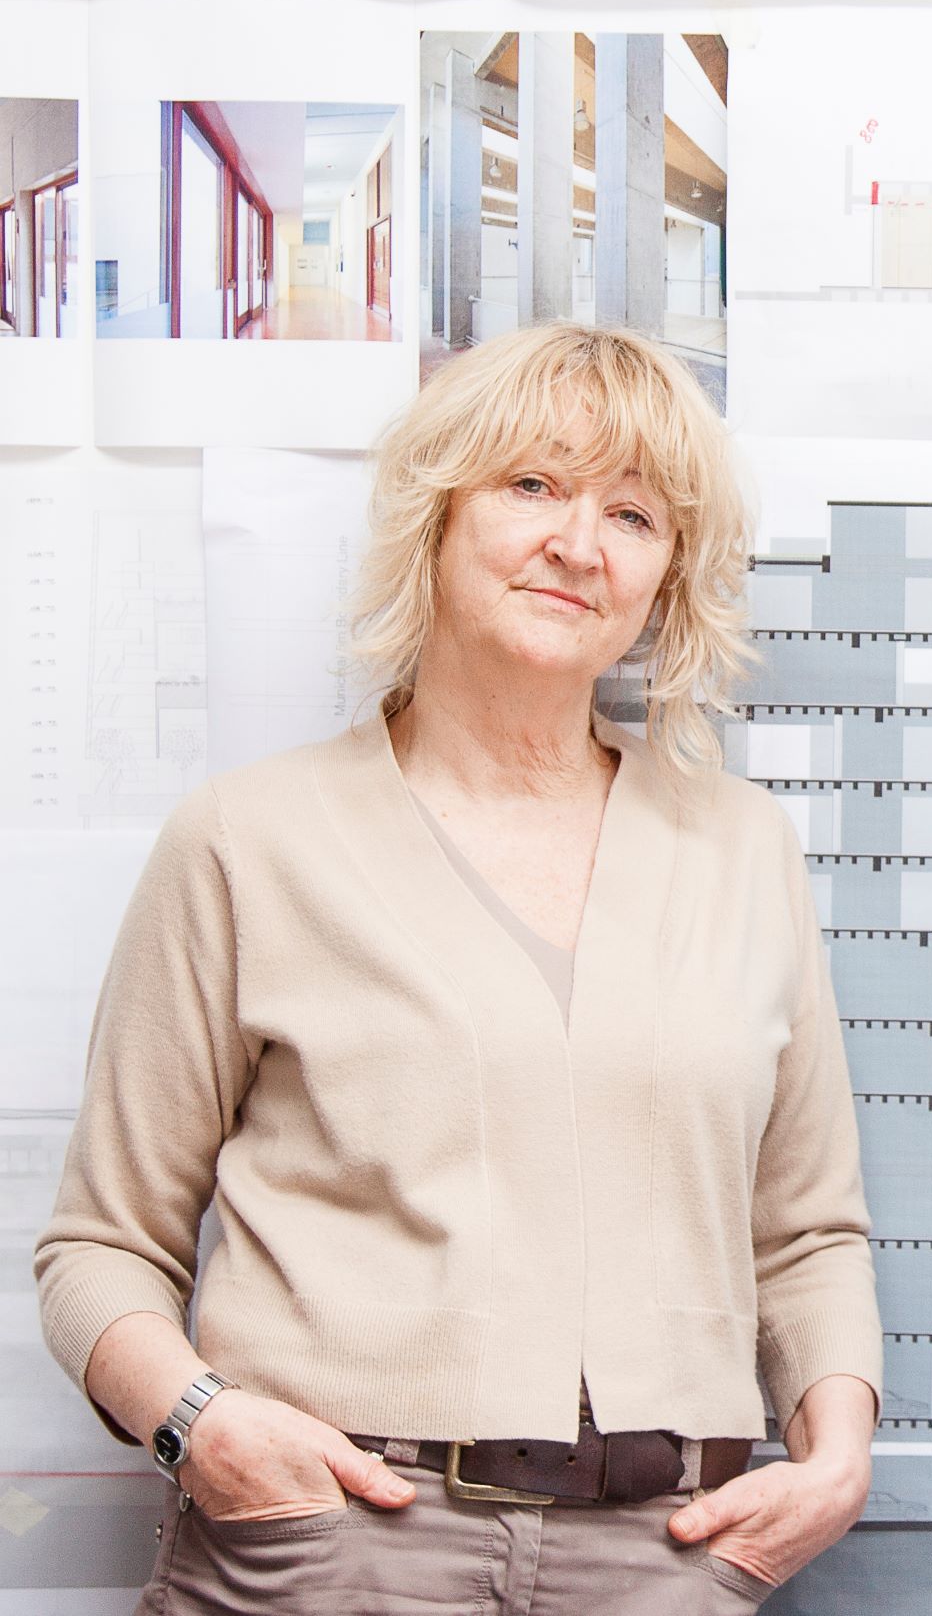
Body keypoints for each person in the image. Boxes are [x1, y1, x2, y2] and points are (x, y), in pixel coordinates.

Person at [35, 323, 884, 1614]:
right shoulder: (249, 839)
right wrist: (202, 1429)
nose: (578, 545)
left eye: (634, 514)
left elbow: (807, 1229)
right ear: (435, 515)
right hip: (331, 1545)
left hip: (668, 1558)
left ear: (665, 576)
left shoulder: (742, 849)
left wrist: (836, 1456)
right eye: (531, 485)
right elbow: (101, 1245)